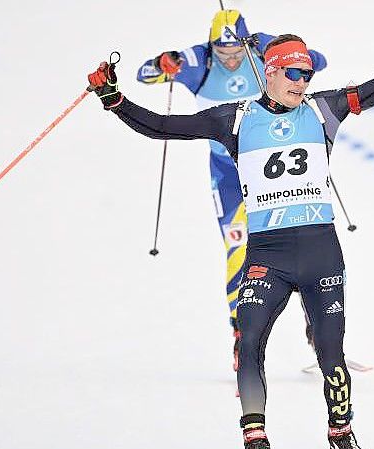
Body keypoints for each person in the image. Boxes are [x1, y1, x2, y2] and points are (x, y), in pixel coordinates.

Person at [87, 2, 374, 448]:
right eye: (293, 74)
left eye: (307, 75)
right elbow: (164, 126)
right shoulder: (233, 118)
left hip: (321, 253)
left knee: (332, 355)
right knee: (247, 342)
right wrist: (114, 100)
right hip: (268, 256)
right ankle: (255, 438)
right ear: (269, 71)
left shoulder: (325, 108)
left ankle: (340, 434)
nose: (302, 83)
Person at [137, 9, 327, 371]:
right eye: (223, 53)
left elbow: (317, 60)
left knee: (299, 243)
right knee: (238, 249)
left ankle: (318, 334)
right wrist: (164, 64)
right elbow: (144, 74)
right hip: (227, 174)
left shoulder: (262, 51)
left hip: (270, 172)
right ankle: (241, 335)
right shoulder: (198, 61)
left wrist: (271, 48)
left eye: (236, 53)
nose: (231, 59)